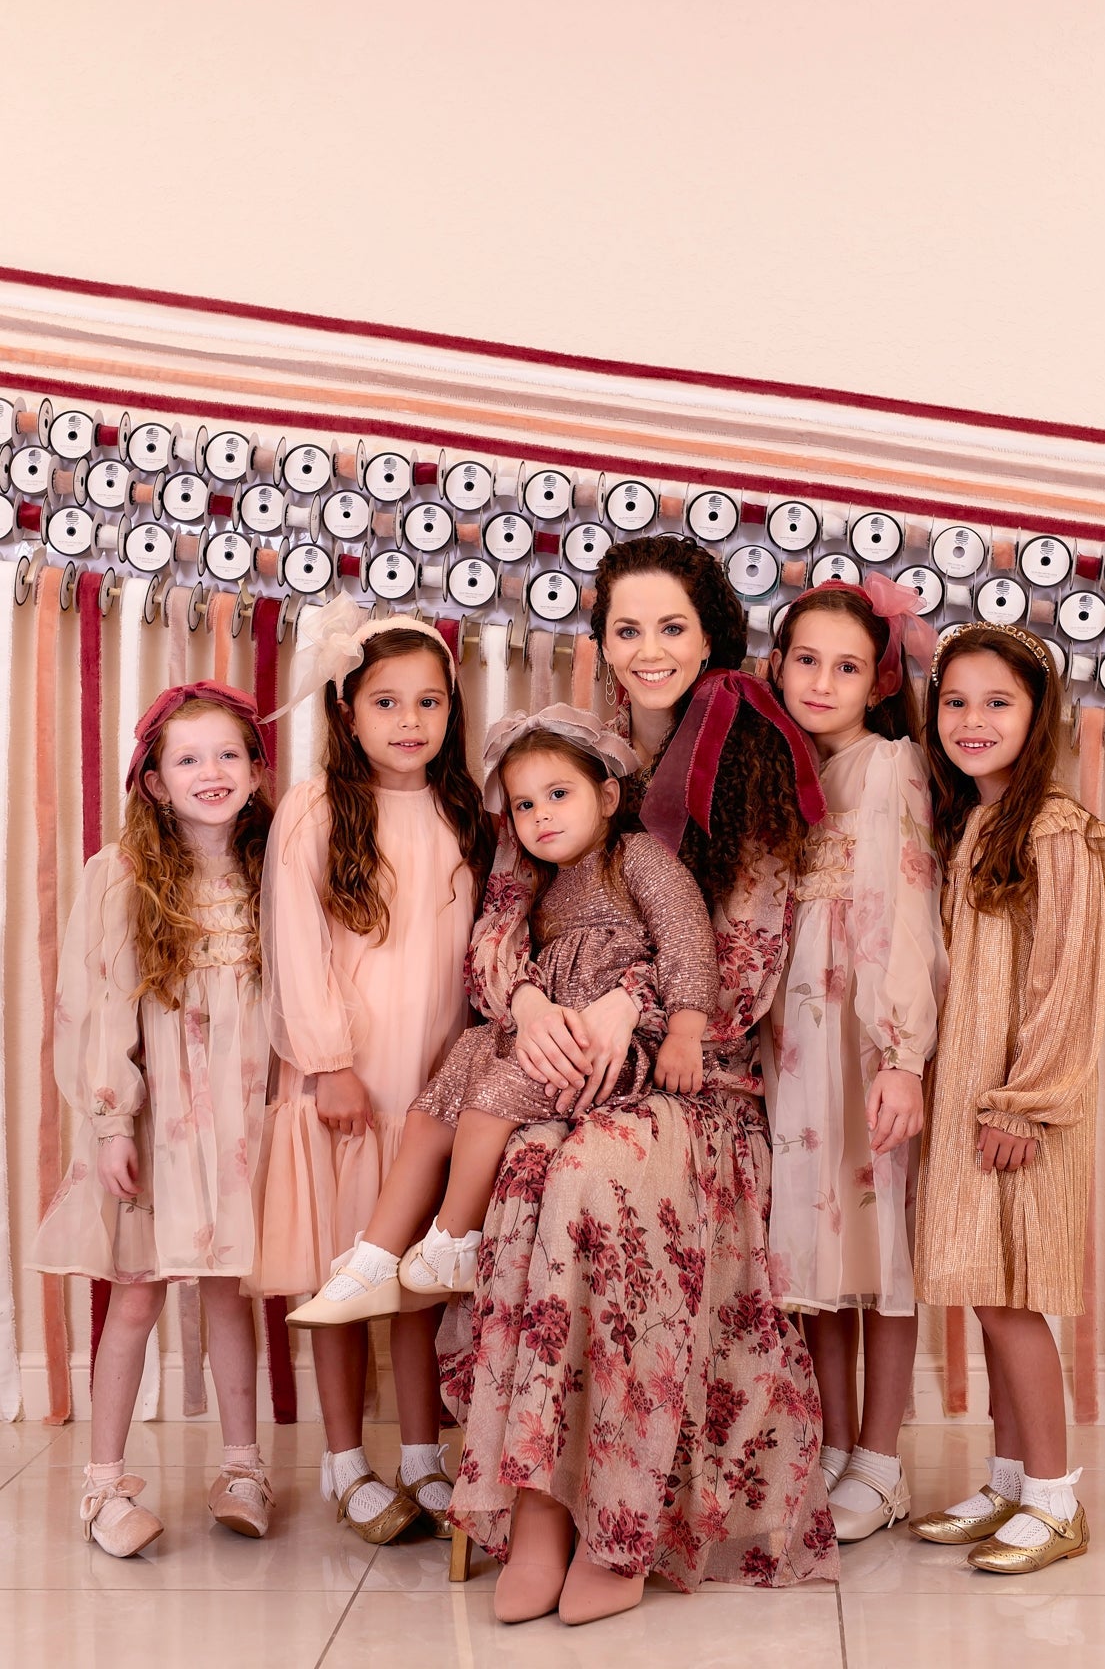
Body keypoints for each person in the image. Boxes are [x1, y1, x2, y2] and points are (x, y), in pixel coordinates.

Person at [441, 534, 838, 1627]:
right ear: (602, 643)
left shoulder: (751, 770)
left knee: (592, 1177)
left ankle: (619, 1525)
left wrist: (634, 1006)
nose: (648, 648)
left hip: (693, 1081)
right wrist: (529, 1008)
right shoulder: (571, 755)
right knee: (526, 1165)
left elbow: (744, 967)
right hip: (562, 1065)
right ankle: (536, 1511)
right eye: (627, 628)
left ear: (711, 636)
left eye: (672, 626)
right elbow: (499, 920)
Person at [286, 705, 717, 1320]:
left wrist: (685, 1031)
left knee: (496, 1091)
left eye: (559, 795)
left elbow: (686, 935)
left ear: (607, 797)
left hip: (609, 1045)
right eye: (523, 805)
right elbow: (498, 957)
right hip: (551, 1033)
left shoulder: (636, 857)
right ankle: (375, 1258)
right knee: (446, 1085)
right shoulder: (542, 883)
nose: (541, 815)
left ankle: (453, 1240)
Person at [251, 594, 492, 1544]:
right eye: (386, 702)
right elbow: (297, 947)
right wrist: (328, 1065)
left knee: (418, 1281)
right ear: (347, 711)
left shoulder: (466, 812)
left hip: (434, 1089)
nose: (409, 721)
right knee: (347, 1277)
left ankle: (423, 1455)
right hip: (349, 1087)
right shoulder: (316, 810)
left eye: (428, 702)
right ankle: (346, 1460)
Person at [31, 682, 276, 1556]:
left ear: (257, 769)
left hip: (241, 1121)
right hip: (157, 1125)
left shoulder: (272, 870)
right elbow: (101, 1005)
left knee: (229, 1290)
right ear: (154, 781)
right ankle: (103, 1484)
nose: (212, 771)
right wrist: (110, 1123)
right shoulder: (124, 874)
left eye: (229, 754)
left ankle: (243, 1466)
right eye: (188, 758)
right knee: (136, 1294)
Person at [909, 622, 1105, 1573]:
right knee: (982, 1288)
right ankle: (1008, 1481)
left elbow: (1067, 978)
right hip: (970, 1094)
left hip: (1021, 1104)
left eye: (998, 702)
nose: (973, 719)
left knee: (1010, 1299)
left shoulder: (1055, 829)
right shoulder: (975, 824)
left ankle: (1056, 1499)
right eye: (956, 701)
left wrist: (1022, 1102)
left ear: (1038, 717)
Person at [761, 578, 945, 1540]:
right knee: (813, 1241)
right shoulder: (780, 768)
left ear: (878, 682)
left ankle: (880, 1458)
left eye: (847, 667)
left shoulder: (889, 764)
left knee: (880, 1240)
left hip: (860, 1031)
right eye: (807, 660)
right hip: (794, 1033)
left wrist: (901, 1053)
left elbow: (904, 909)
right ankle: (833, 1444)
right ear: (777, 665)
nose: (821, 682)